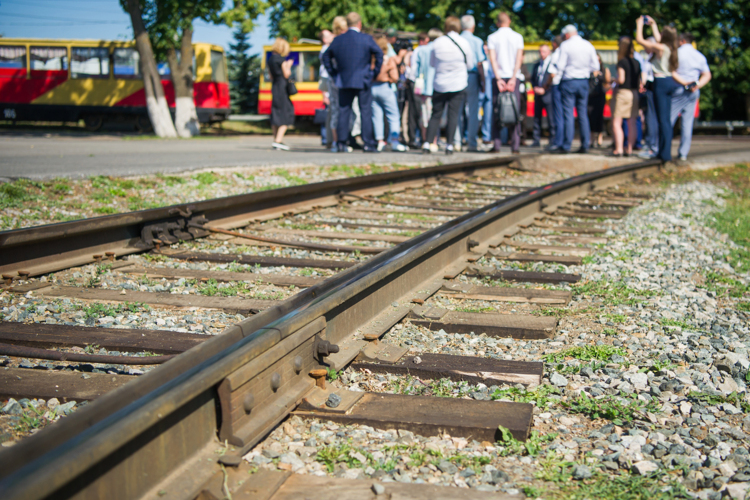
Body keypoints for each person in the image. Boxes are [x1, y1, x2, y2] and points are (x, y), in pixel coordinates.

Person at [322, 12, 383, 153]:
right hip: (364, 81)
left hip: (344, 80)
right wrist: (373, 73)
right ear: (359, 24)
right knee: (365, 112)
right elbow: (379, 54)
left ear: (347, 23)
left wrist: (334, 73)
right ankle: (368, 143)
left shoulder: (338, 40)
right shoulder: (366, 39)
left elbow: (326, 57)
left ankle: (342, 143)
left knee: (344, 112)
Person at [636, 16, 689, 162]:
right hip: (668, 82)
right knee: (664, 119)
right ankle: (663, 152)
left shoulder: (661, 48)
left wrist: (639, 25)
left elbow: (640, 40)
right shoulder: (671, 48)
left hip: (660, 83)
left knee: (663, 120)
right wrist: (653, 24)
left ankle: (664, 154)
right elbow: (660, 39)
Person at [423, 16, 473, 155]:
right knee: (453, 115)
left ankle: (427, 143)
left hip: (440, 83)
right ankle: (449, 145)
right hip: (458, 83)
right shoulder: (464, 42)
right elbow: (470, 64)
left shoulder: (438, 42)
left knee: (435, 115)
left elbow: (432, 63)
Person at [553, 25, 600, 154]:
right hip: (583, 82)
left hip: (569, 81)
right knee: (583, 114)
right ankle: (585, 145)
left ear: (566, 35)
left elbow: (560, 66)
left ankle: (567, 145)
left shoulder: (565, 45)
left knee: (568, 114)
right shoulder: (588, 45)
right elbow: (595, 66)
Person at [486, 11, 524, 153]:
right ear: (509, 21)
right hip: (514, 78)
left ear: (497, 23)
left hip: (499, 78)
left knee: (497, 110)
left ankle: (496, 145)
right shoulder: (518, 37)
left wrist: (498, 79)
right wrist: (513, 78)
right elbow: (518, 59)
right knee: (515, 110)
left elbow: (493, 59)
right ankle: (515, 146)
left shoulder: (492, 37)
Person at [670, 32, 711, 160]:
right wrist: (697, 84)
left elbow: (671, 71)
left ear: (681, 41)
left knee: (668, 121)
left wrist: (684, 83)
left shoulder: (677, 53)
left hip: (678, 89)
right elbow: (707, 75)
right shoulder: (699, 56)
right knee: (687, 124)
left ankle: (663, 149)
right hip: (693, 92)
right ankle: (683, 154)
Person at [371, 35, 407, 151]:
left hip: (372, 88)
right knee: (393, 115)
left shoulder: (372, 58)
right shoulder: (388, 59)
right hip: (385, 87)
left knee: (377, 115)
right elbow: (395, 76)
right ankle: (395, 141)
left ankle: (380, 141)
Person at [459, 15, 486, 152]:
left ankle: (456, 142)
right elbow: (480, 64)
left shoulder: (456, 39)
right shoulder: (477, 41)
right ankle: (472, 143)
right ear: (473, 26)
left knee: (456, 110)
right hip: (472, 77)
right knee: (473, 111)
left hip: (457, 77)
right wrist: (483, 81)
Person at [611, 37, 641, 157]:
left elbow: (621, 79)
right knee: (632, 122)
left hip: (623, 93)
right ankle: (629, 149)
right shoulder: (637, 63)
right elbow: (639, 82)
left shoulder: (622, 62)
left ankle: (619, 149)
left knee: (616, 122)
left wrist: (613, 79)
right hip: (634, 93)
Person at [268, 37, 295, 151]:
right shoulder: (281, 60)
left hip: (275, 87)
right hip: (283, 88)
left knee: (276, 113)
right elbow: (286, 74)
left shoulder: (270, 59)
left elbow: (270, 76)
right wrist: (288, 65)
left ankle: (276, 140)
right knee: (286, 113)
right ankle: (278, 141)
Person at [636, 38, 659, 158]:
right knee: (651, 117)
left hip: (651, 89)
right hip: (652, 88)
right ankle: (652, 144)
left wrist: (643, 84)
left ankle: (651, 145)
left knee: (651, 117)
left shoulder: (653, 59)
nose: (644, 47)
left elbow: (647, 75)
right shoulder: (652, 58)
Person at [404, 33, 428, 148]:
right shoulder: (423, 50)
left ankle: (414, 138)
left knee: (414, 112)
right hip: (421, 83)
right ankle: (420, 138)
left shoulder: (418, 50)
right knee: (419, 111)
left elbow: (413, 69)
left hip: (417, 82)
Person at [530, 43, 553, 148]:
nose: (541, 54)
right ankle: (536, 140)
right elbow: (533, 78)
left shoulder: (552, 64)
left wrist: (545, 89)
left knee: (551, 119)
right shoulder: (537, 65)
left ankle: (552, 140)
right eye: (540, 52)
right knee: (537, 118)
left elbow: (553, 78)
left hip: (548, 94)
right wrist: (535, 87)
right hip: (538, 94)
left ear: (549, 52)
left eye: (544, 51)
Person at [588, 53, 611, 148]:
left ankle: (599, 138)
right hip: (590, 96)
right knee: (590, 117)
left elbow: (608, 82)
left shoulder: (604, 70)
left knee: (599, 117)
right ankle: (591, 138)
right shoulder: (588, 70)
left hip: (600, 96)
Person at [545, 36, 564, 152]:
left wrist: (546, 85)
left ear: (554, 44)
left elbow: (552, 74)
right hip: (566, 85)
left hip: (557, 86)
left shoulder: (556, 54)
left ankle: (558, 142)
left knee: (558, 116)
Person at [319, 29, 334, 147]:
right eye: (329, 35)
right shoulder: (326, 51)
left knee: (329, 112)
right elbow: (324, 76)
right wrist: (325, 94)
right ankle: (327, 138)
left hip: (327, 83)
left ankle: (327, 138)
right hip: (327, 84)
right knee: (329, 113)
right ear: (324, 39)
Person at [478, 48, 494, 148]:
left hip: (489, 94)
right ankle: (471, 136)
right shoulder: (478, 64)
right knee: (473, 116)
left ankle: (486, 137)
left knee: (488, 117)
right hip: (479, 93)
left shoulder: (492, 64)